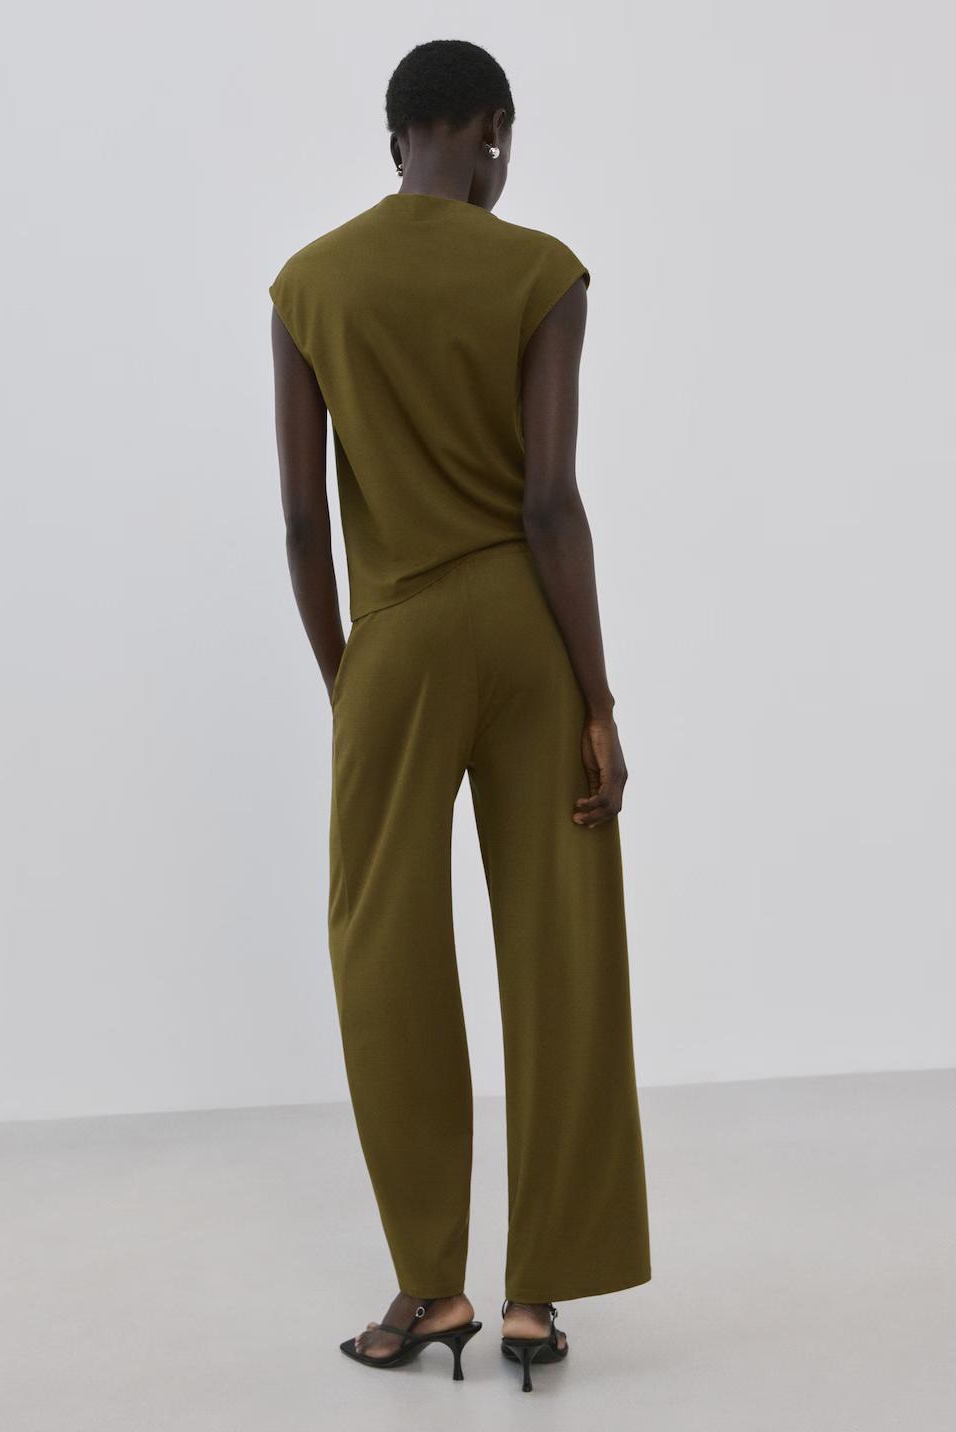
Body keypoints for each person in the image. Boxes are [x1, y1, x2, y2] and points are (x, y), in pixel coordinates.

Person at [268, 39, 650, 1391]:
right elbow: (550, 503)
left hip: (396, 638)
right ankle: (537, 1296)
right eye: (501, 141)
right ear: (489, 130)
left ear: (396, 141)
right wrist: (597, 699)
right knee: (561, 943)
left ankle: (430, 1287)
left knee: (383, 946)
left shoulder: (308, 285)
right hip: (530, 638)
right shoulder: (542, 272)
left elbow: (303, 521)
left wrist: (348, 675)